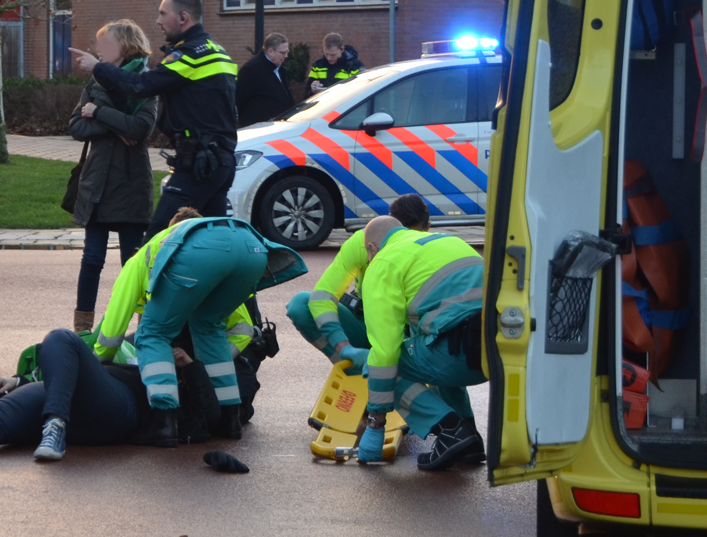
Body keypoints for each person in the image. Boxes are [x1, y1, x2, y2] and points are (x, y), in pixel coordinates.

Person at [93, 209, 305, 444]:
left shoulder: (143, 257)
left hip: (202, 255)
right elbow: (242, 328)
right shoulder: (209, 234)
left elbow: (113, 327)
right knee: (209, 326)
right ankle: (229, 419)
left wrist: (99, 359)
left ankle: (164, 423)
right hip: (252, 247)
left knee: (154, 333)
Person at [75, 0, 237, 235]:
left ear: (183, 18)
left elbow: (141, 86)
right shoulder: (217, 51)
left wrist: (98, 67)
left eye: (163, 14)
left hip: (199, 162)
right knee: (214, 238)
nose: (158, 21)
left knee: (158, 236)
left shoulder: (190, 56)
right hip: (219, 160)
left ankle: (146, 275)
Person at [355, 216, 488, 471]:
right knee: (431, 347)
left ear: (371, 248)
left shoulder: (384, 262)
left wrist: (376, 425)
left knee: (378, 367)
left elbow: (384, 353)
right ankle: (468, 438)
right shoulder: (449, 241)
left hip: (459, 354)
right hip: (501, 351)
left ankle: (450, 431)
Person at [0, 329, 152, 462]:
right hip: (68, 402)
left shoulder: (177, 340)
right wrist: (19, 381)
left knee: (61, 338)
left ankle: (54, 426)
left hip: (120, 404)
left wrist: (188, 366)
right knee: (4, 414)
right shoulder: (140, 332)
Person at [69, 20, 159, 332]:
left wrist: (98, 112)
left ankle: (143, 330)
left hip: (130, 185)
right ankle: (82, 330)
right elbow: (75, 127)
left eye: (104, 45)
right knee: (91, 260)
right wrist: (116, 125)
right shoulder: (96, 82)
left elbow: (141, 129)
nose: (98, 51)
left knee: (132, 266)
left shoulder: (146, 82)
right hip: (97, 184)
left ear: (125, 45)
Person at [286, 194, 432, 368]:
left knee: (441, 363)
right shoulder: (362, 242)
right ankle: (349, 368)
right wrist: (343, 349)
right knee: (301, 305)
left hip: (410, 338)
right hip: (369, 326)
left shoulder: (431, 251)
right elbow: (322, 297)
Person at [236, 32, 295, 127]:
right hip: (258, 128)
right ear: (271, 51)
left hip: (279, 126)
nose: (286, 56)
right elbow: (239, 98)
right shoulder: (252, 69)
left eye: (287, 52)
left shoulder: (281, 69)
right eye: (283, 53)